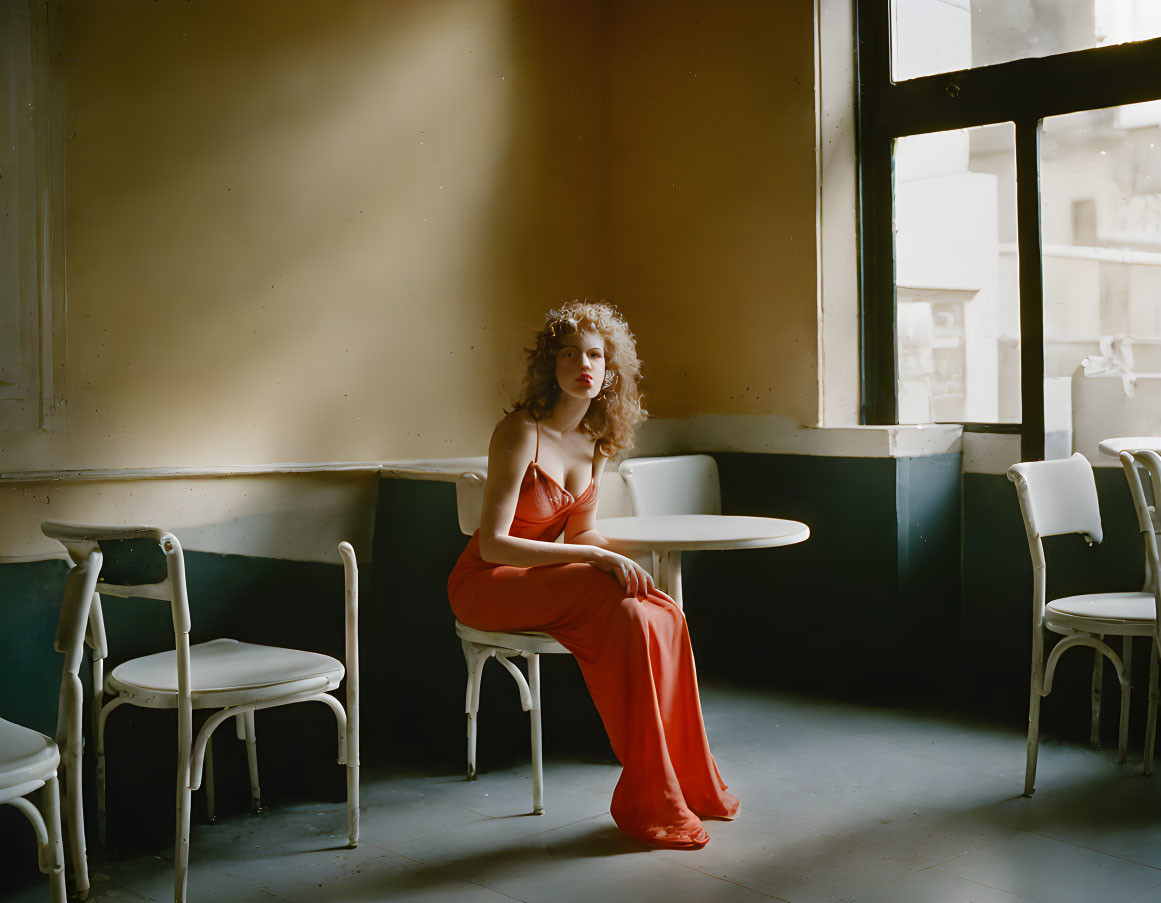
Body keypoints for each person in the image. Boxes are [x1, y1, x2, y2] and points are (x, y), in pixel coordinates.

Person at [447, 299, 738, 850]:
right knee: (606, 590)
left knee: (660, 609)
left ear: (608, 373)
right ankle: (652, 799)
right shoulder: (519, 431)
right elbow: (493, 543)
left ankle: (684, 784)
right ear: (549, 366)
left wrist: (626, 556)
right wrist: (600, 562)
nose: (584, 363)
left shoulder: (595, 441)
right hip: (486, 583)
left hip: (543, 583)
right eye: (569, 353)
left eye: (596, 355)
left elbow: (581, 535)